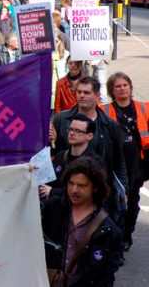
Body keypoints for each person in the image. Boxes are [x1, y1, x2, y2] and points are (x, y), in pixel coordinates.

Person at [51, 76, 128, 223]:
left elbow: (119, 160)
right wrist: (50, 140)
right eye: (79, 92)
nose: (81, 96)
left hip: (98, 192)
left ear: (97, 96)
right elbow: (53, 154)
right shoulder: (61, 119)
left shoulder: (110, 125)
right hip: (68, 191)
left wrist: (123, 189)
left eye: (86, 93)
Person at [41, 157, 122, 287]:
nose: (74, 190)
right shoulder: (52, 209)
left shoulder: (107, 230)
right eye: (71, 183)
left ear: (95, 188)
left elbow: (106, 277)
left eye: (82, 186)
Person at [103, 72, 149, 251]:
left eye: (125, 85)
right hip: (115, 165)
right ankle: (115, 238)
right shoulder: (105, 110)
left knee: (132, 205)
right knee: (114, 203)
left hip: (138, 165)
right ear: (112, 91)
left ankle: (126, 237)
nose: (122, 89)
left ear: (130, 87)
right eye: (117, 86)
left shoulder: (144, 108)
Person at [39, 114, 106, 200]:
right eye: (70, 129)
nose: (71, 133)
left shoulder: (95, 162)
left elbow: (92, 192)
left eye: (77, 131)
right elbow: (47, 184)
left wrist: (53, 192)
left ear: (89, 136)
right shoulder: (60, 156)